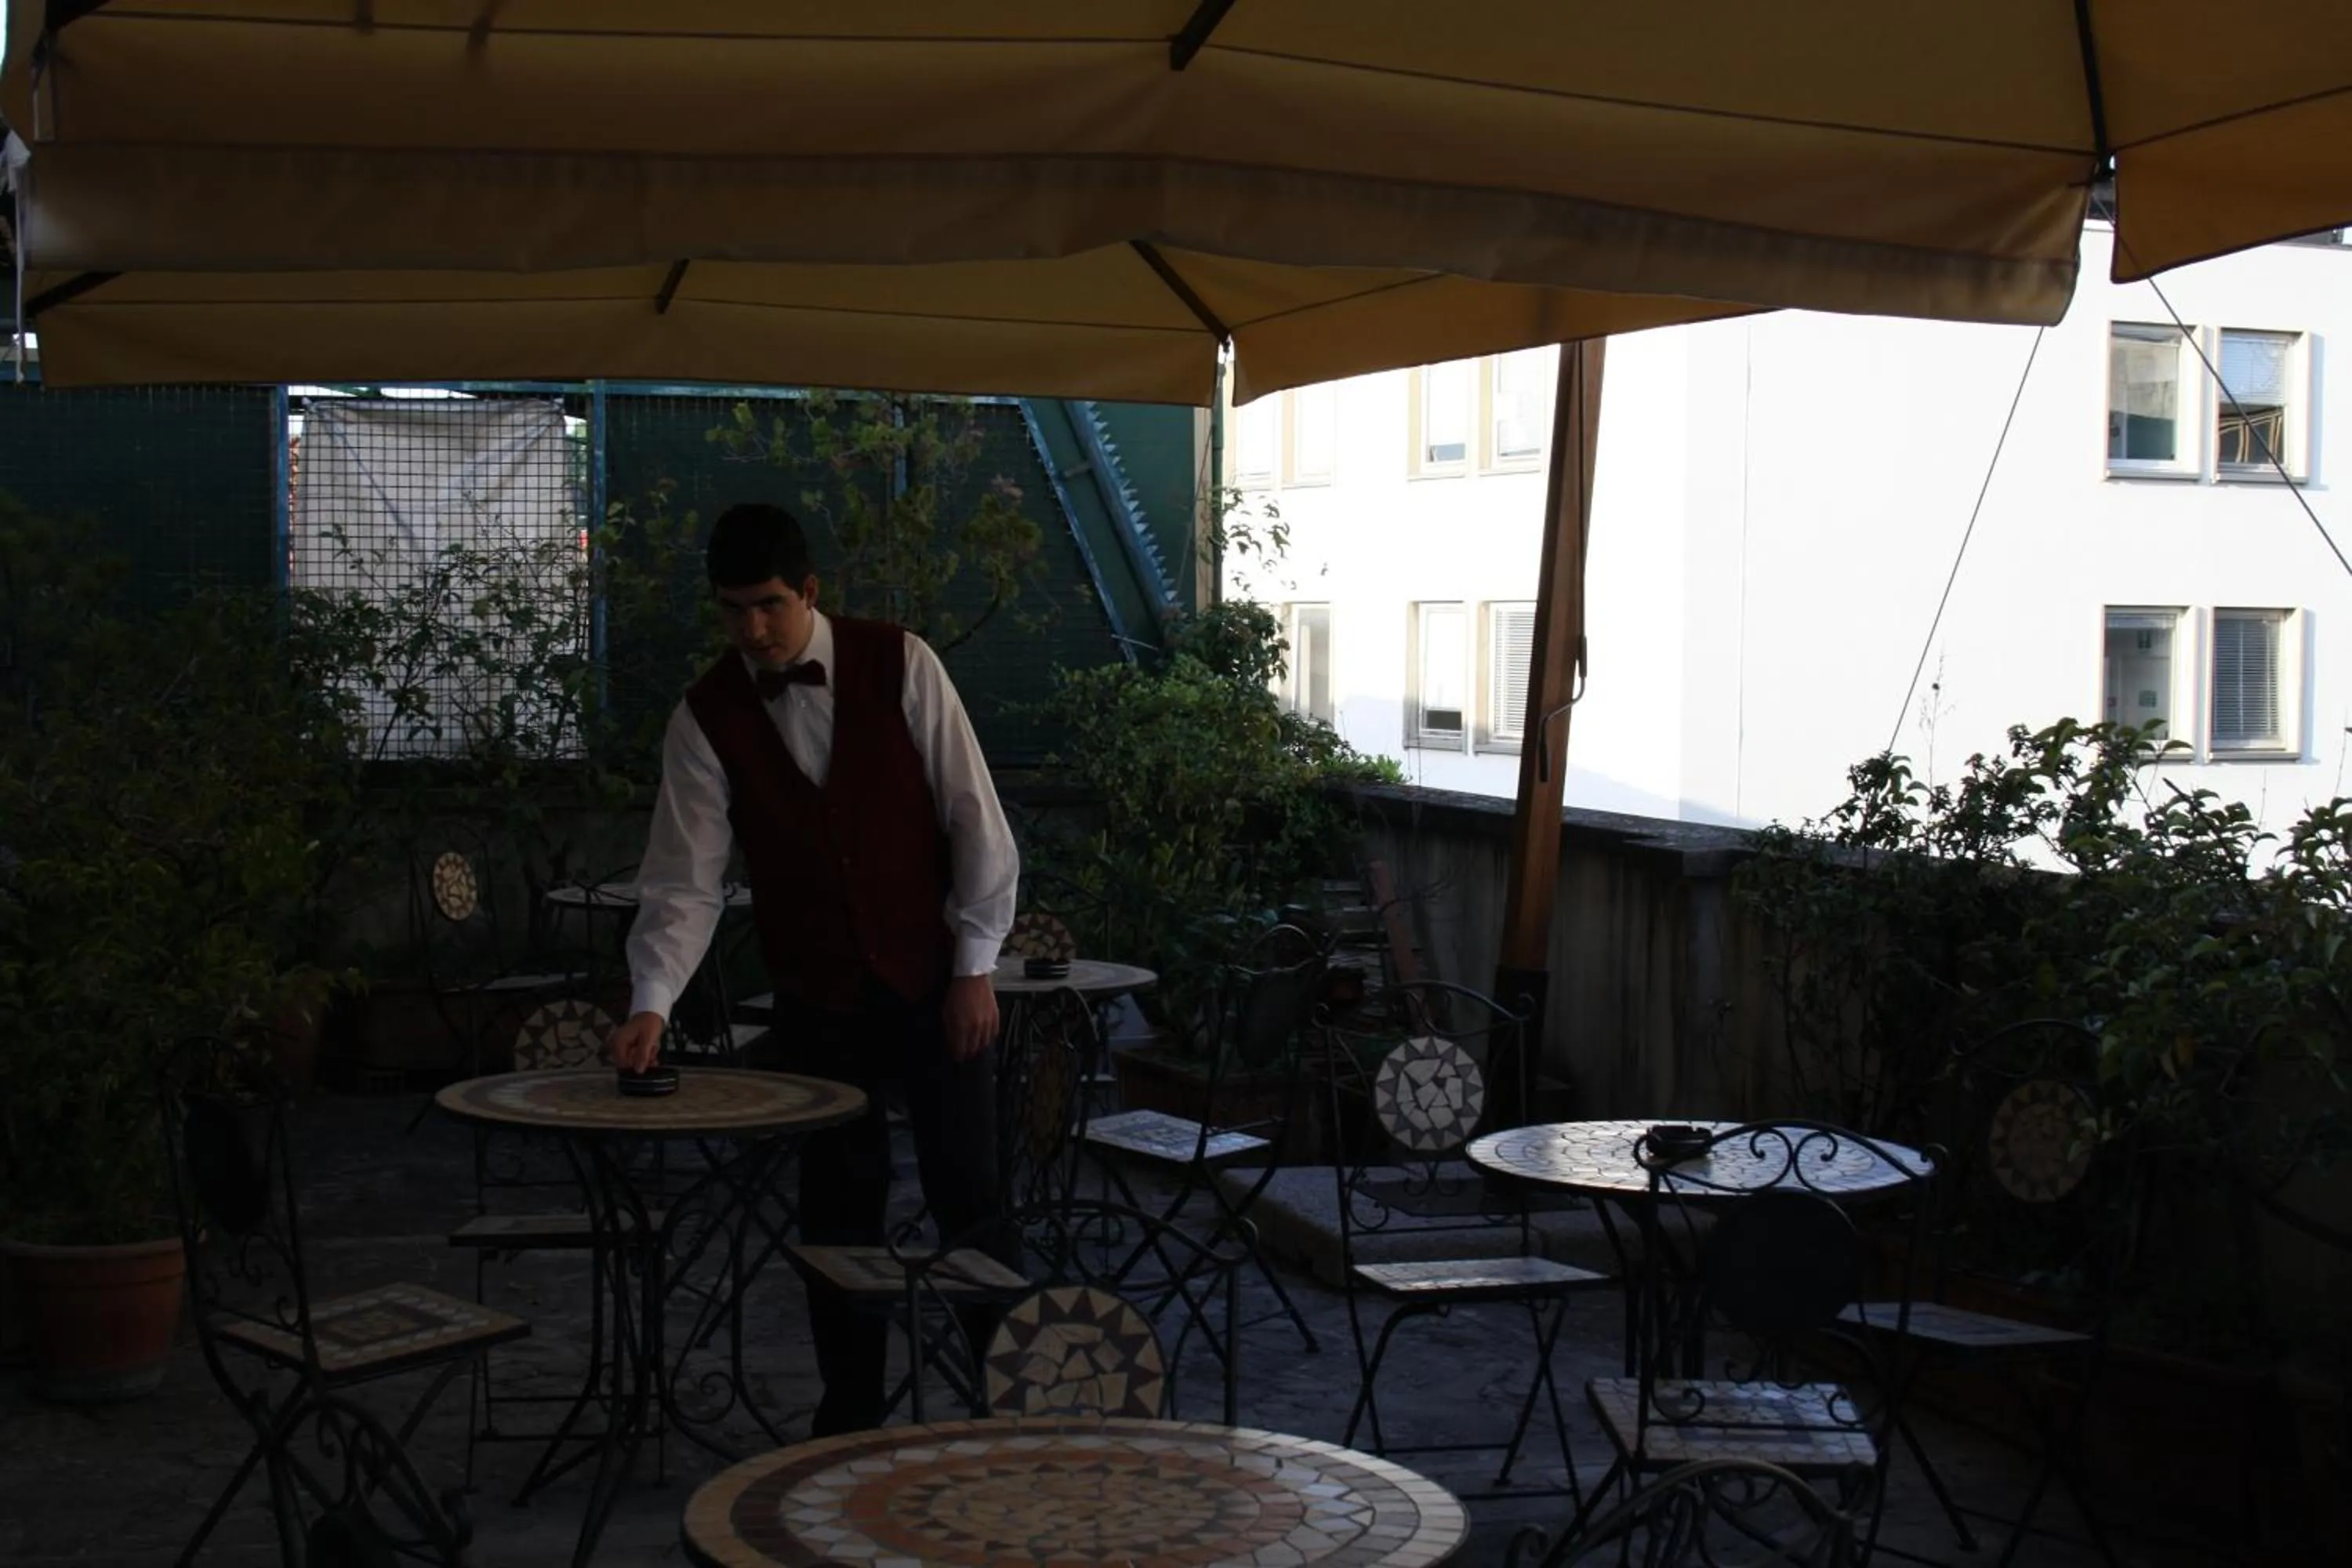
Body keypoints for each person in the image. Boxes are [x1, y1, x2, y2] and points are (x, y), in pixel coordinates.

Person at [606, 501, 1018, 1436]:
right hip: (819, 1000)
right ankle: (851, 1422)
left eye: (769, 605)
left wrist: (974, 967)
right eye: (731, 610)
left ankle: (1010, 1409)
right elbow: (685, 880)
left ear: (811, 592)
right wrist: (652, 1002)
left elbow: (975, 819)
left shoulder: (902, 661)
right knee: (837, 1218)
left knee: (973, 1201)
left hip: (932, 980)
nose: (752, 629)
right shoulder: (705, 715)